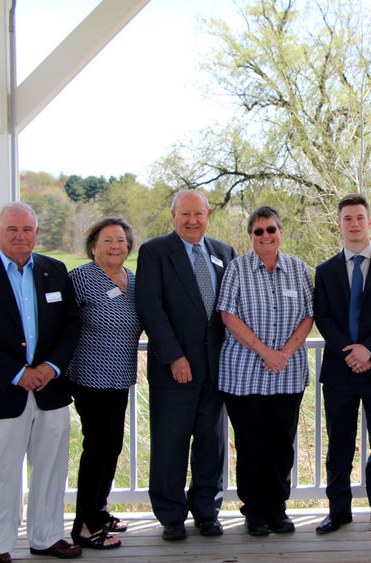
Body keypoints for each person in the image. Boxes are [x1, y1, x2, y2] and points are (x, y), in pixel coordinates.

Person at [0, 202, 82, 563]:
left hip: (50, 390)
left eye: (27, 229)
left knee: (52, 470)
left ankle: (46, 537)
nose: (21, 236)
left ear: (37, 233)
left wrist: (51, 366)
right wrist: (17, 373)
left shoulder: (55, 271)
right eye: (12, 230)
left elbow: (71, 325)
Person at [135, 190, 236, 541]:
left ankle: (207, 510)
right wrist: (174, 356)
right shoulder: (155, 252)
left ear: (208, 214)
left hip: (217, 369)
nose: (192, 220)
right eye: (185, 214)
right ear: (173, 215)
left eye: (199, 213)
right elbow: (150, 307)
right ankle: (171, 515)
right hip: (175, 368)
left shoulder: (224, 253)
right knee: (170, 443)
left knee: (211, 443)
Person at [216, 206, 314, 536]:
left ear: (281, 232)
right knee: (251, 444)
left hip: (287, 373)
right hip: (244, 375)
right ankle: (253, 510)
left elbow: (308, 316)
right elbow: (228, 315)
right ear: (251, 237)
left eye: (271, 229)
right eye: (258, 231)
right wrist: (266, 353)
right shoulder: (237, 268)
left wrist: (283, 354)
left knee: (282, 444)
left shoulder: (298, 269)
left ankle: (277, 508)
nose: (265, 236)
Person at [313, 194, 371, 536]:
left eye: (360, 218)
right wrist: (348, 352)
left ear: (369, 221)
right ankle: (338, 511)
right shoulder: (325, 270)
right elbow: (322, 316)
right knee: (339, 442)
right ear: (339, 224)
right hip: (340, 369)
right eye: (347, 218)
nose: (354, 224)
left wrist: (368, 350)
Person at [67, 216, 143, 550]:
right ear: (93, 247)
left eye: (121, 240)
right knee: (97, 447)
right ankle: (84, 525)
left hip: (120, 376)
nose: (116, 246)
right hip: (89, 377)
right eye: (107, 240)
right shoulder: (81, 279)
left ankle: (99, 508)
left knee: (112, 445)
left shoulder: (135, 280)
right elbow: (62, 324)